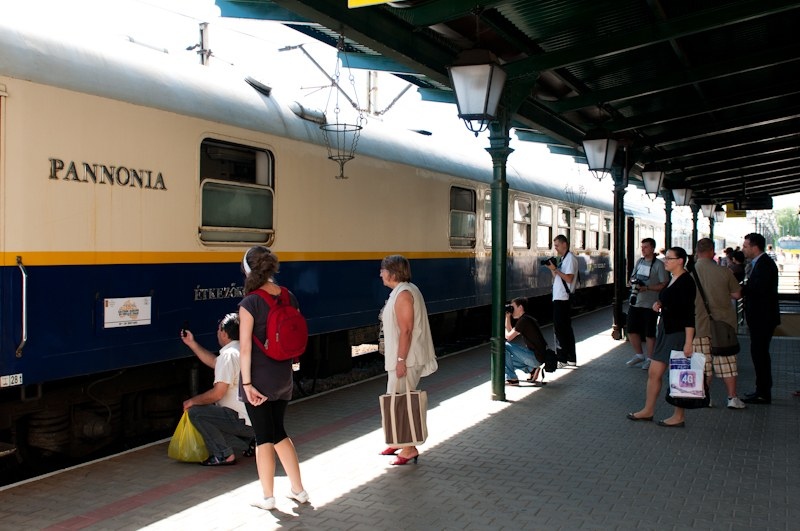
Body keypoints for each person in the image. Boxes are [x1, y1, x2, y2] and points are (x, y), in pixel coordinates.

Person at [238, 246, 308, 510]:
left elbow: (245, 347)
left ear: (247, 270)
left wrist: (247, 384)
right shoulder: (288, 295)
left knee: (263, 436)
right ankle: (298, 490)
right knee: (278, 431)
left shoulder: (250, 303)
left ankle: (267, 497)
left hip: (259, 378)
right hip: (282, 375)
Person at [378, 255, 438, 465]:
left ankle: (409, 448)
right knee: (395, 399)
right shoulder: (403, 291)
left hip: (408, 359)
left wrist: (401, 360)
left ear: (392, 273)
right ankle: (398, 440)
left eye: (383, 270)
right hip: (404, 358)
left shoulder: (404, 294)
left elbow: (406, 330)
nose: (380, 274)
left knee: (401, 403)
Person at [627, 246, 696, 427]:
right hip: (667, 330)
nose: (665, 261)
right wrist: (660, 303)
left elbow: (689, 314)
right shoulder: (674, 278)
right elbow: (672, 301)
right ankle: (648, 410)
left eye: (669, 258)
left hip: (678, 333)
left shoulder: (686, 282)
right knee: (654, 372)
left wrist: (689, 342)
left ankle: (679, 415)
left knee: (678, 373)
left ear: (680, 261)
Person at [180, 313, 255, 466]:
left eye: (218, 330)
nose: (217, 333)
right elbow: (216, 362)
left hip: (243, 422)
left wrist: (192, 401)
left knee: (196, 413)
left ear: (224, 333)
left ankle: (223, 454)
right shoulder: (241, 350)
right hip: (256, 419)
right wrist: (192, 343)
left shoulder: (228, 356)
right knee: (219, 413)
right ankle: (254, 441)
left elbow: (217, 394)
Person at [690, 238, 745, 409]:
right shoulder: (724, 271)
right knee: (727, 363)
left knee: (702, 364)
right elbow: (737, 295)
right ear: (712, 251)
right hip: (723, 325)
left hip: (698, 325)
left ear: (697, 251)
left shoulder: (689, 273)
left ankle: (705, 397)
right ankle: (732, 398)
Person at [740, 233, 780, 405]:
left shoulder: (764, 265)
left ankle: (763, 392)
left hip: (762, 318)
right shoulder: (761, 263)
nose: (743, 249)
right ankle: (761, 390)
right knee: (759, 354)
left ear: (754, 247)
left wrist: (742, 289)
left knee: (760, 354)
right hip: (762, 317)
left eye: (746, 246)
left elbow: (759, 289)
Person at [625, 238, 668, 371]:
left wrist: (647, 288)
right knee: (631, 329)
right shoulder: (640, 261)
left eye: (646, 247)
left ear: (652, 249)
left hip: (650, 304)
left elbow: (664, 283)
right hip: (635, 302)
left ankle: (650, 358)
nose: (643, 249)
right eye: (642, 247)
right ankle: (639, 355)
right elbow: (632, 276)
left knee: (649, 333)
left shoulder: (659, 265)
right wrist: (632, 282)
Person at [545, 234, 578, 368]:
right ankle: (570, 358)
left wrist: (556, 270)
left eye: (557, 245)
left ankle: (562, 359)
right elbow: (558, 277)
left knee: (560, 330)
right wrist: (552, 269)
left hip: (563, 299)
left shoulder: (569, 259)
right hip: (560, 298)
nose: (556, 248)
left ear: (564, 244)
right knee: (566, 330)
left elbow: (569, 278)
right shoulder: (564, 258)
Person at [504, 297, 548, 386]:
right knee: (506, 360)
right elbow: (510, 332)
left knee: (502, 346)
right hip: (538, 357)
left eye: (513, 307)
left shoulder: (523, 321)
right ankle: (532, 369)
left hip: (535, 358)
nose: (511, 310)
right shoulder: (526, 319)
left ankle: (512, 378)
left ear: (520, 307)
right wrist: (507, 317)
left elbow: (508, 337)